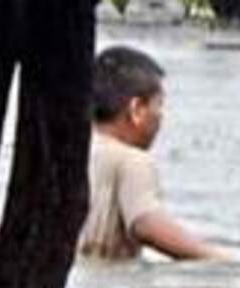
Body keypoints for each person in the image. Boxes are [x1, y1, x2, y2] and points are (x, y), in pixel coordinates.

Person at [78, 45, 223, 262]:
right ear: (137, 109)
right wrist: (218, 259)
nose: (161, 118)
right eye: (159, 106)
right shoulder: (132, 160)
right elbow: (147, 225)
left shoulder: (77, 151)